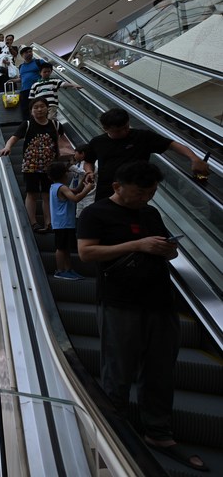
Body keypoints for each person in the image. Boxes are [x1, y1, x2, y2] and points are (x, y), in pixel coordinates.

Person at [78, 161, 208, 472]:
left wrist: (167, 249)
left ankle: (158, 433)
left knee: (161, 370)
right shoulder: (95, 213)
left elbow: (168, 251)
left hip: (161, 302)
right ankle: (115, 433)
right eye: (139, 193)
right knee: (118, 371)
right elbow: (86, 253)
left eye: (150, 193)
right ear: (117, 187)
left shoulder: (150, 213)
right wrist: (137, 244)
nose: (145, 199)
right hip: (119, 303)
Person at [83, 107, 209, 201]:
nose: (124, 132)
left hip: (137, 192)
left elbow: (171, 144)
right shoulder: (97, 142)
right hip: (106, 191)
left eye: (126, 127)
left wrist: (194, 158)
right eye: (118, 131)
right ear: (105, 129)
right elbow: (88, 161)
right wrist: (89, 172)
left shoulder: (142, 137)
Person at [0, 98, 64, 232]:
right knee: (32, 193)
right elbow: (14, 137)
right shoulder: (27, 124)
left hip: (49, 167)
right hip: (30, 166)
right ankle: (33, 222)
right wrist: (8, 147)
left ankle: (49, 222)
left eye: (42, 106)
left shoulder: (55, 125)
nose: (39, 109)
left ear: (47, 108)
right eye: (35, 107)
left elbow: (63, 142)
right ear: (31, 111)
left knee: (47, 194)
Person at [47, 162, 94, 280]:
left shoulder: (55, 187)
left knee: (66, 247)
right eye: (67, 172)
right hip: (63, 223)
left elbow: (76, 191)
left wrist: (84, 180)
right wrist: (88, 189)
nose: (69, 174)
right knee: (61, 248)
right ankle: (60, 270)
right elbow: (76, 198)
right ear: (64, 175)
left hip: (64, 223)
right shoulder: (62, 188)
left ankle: (68, 269)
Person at [16, 46, 47, 120]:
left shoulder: (39, 62)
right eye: (27, 52)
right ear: (22, 55)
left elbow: (47, 73)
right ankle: (30, 127)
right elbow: (21, 78)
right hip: (24, 91)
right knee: (26, 111)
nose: (29, 53)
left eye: (30, 51)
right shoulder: (21, 66)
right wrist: (13, 80)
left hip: (37, 89)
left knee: (39, 108)